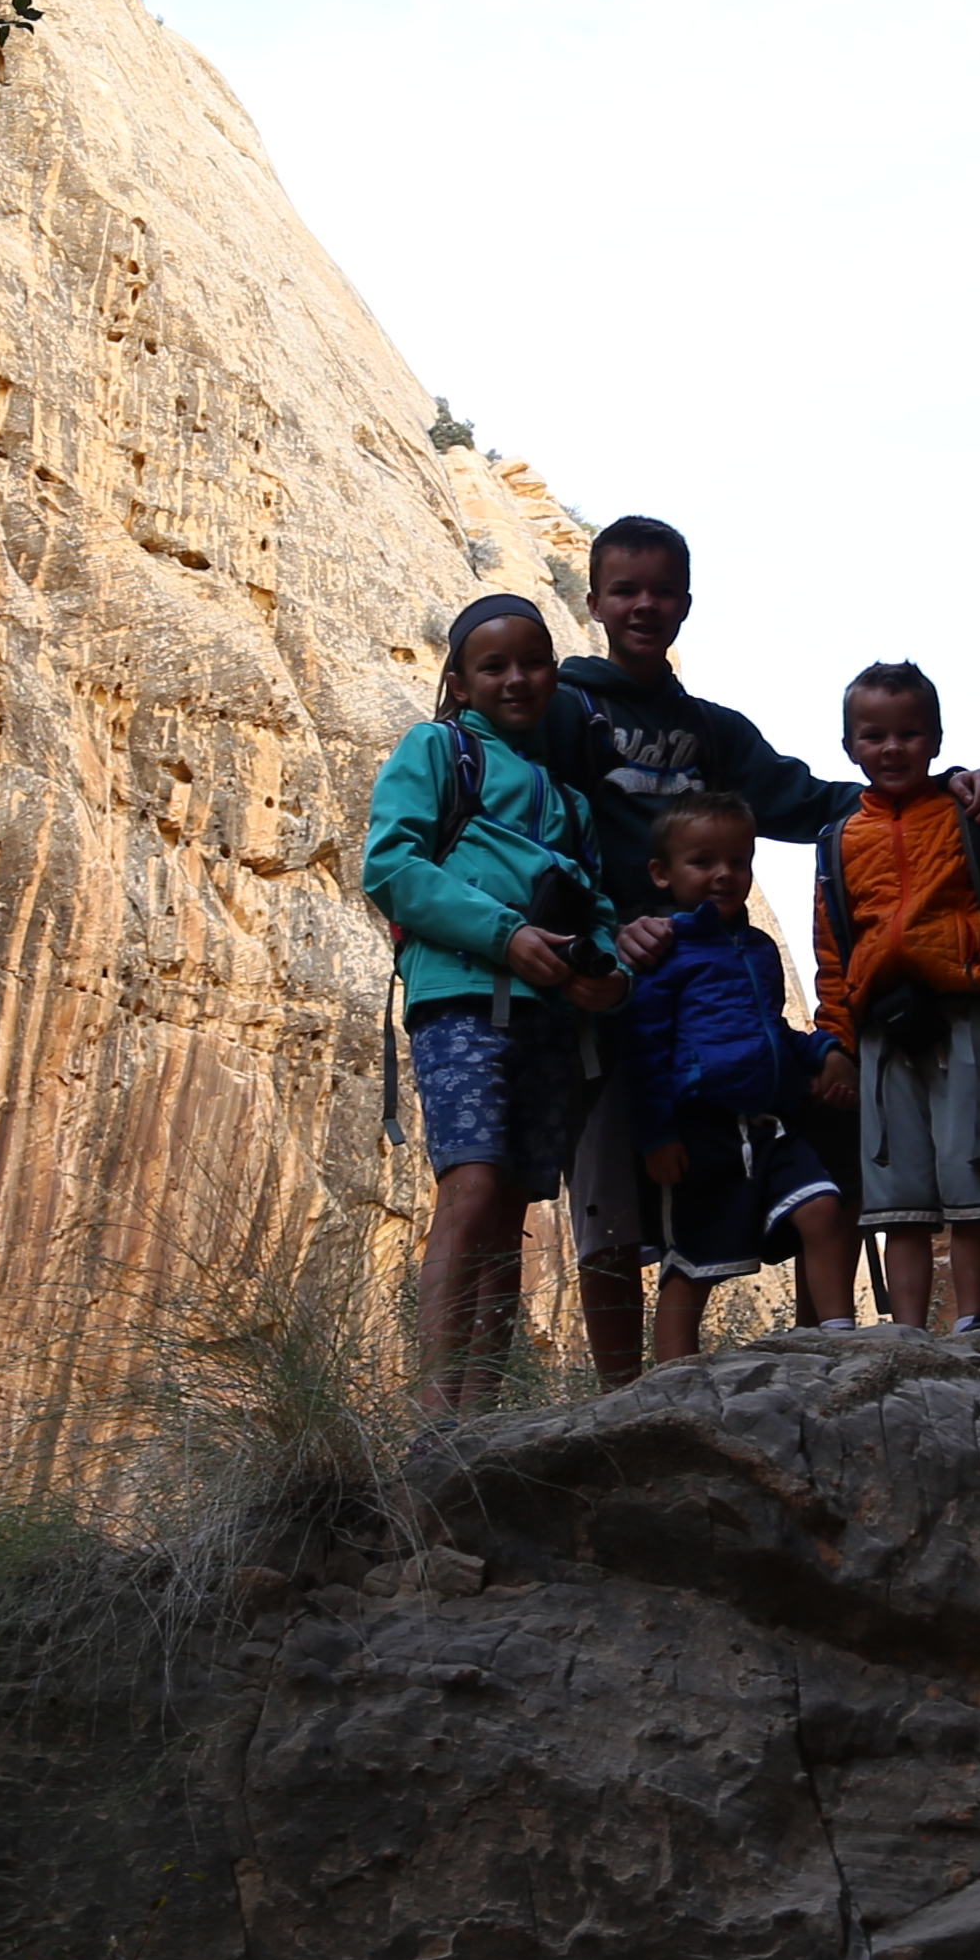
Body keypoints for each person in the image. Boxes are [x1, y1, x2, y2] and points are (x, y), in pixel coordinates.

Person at [553, 516, 980, 1382]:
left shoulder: (711, 731)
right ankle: (618, 1395)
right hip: (615, 984)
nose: (645, 606)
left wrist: (932, 793)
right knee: (613, 1196)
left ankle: (821, 1350)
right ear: (598, 600)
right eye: (626, 590)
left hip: (718, 980)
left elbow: (811, 802)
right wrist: (603, 932)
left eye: (662, 590)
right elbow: (537, 833)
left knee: (830, 1116)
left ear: (687, 601)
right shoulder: (569, 712)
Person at [360, 593, 626, 1402]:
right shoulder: (439, 751)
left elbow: (598, 910)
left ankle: (478, 1412)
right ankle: (436, 1408)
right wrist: (507, 935)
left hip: (550, 1016)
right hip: (463, 998)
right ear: (462, 683)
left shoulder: (571, 805)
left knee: (509, 1206)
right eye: (495, 666)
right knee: (472, 1186)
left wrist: (605, 973)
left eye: (534, 662)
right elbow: (392, 867)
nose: (518, 679)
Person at [812, 658, 980, 1333]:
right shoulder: (838, 842)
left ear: (938, 739)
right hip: (882, 1035)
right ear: (848, 747)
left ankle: (973, 1322)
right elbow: (832, 955)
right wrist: (835, 1043)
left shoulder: (969, 822)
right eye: (873, 736)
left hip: (964, 1019)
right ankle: (908, 1333)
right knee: (900, 1194)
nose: (892, 749)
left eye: (910, 734)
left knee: (972, 1173)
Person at [618, 797, 860, 1357]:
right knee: (694, 1263)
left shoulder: (757, 949)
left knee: (823, 1210)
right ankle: (672, 1384)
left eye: (739, 861)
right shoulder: (666, 951)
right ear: (663, 873)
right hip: (702, 1128)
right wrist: (657, 1136)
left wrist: (824, 1051)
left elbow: (772, 1030)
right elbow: (645, 1050)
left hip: (771, 1123)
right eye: (703, 862)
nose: (724, 874)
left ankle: (838, 1346)